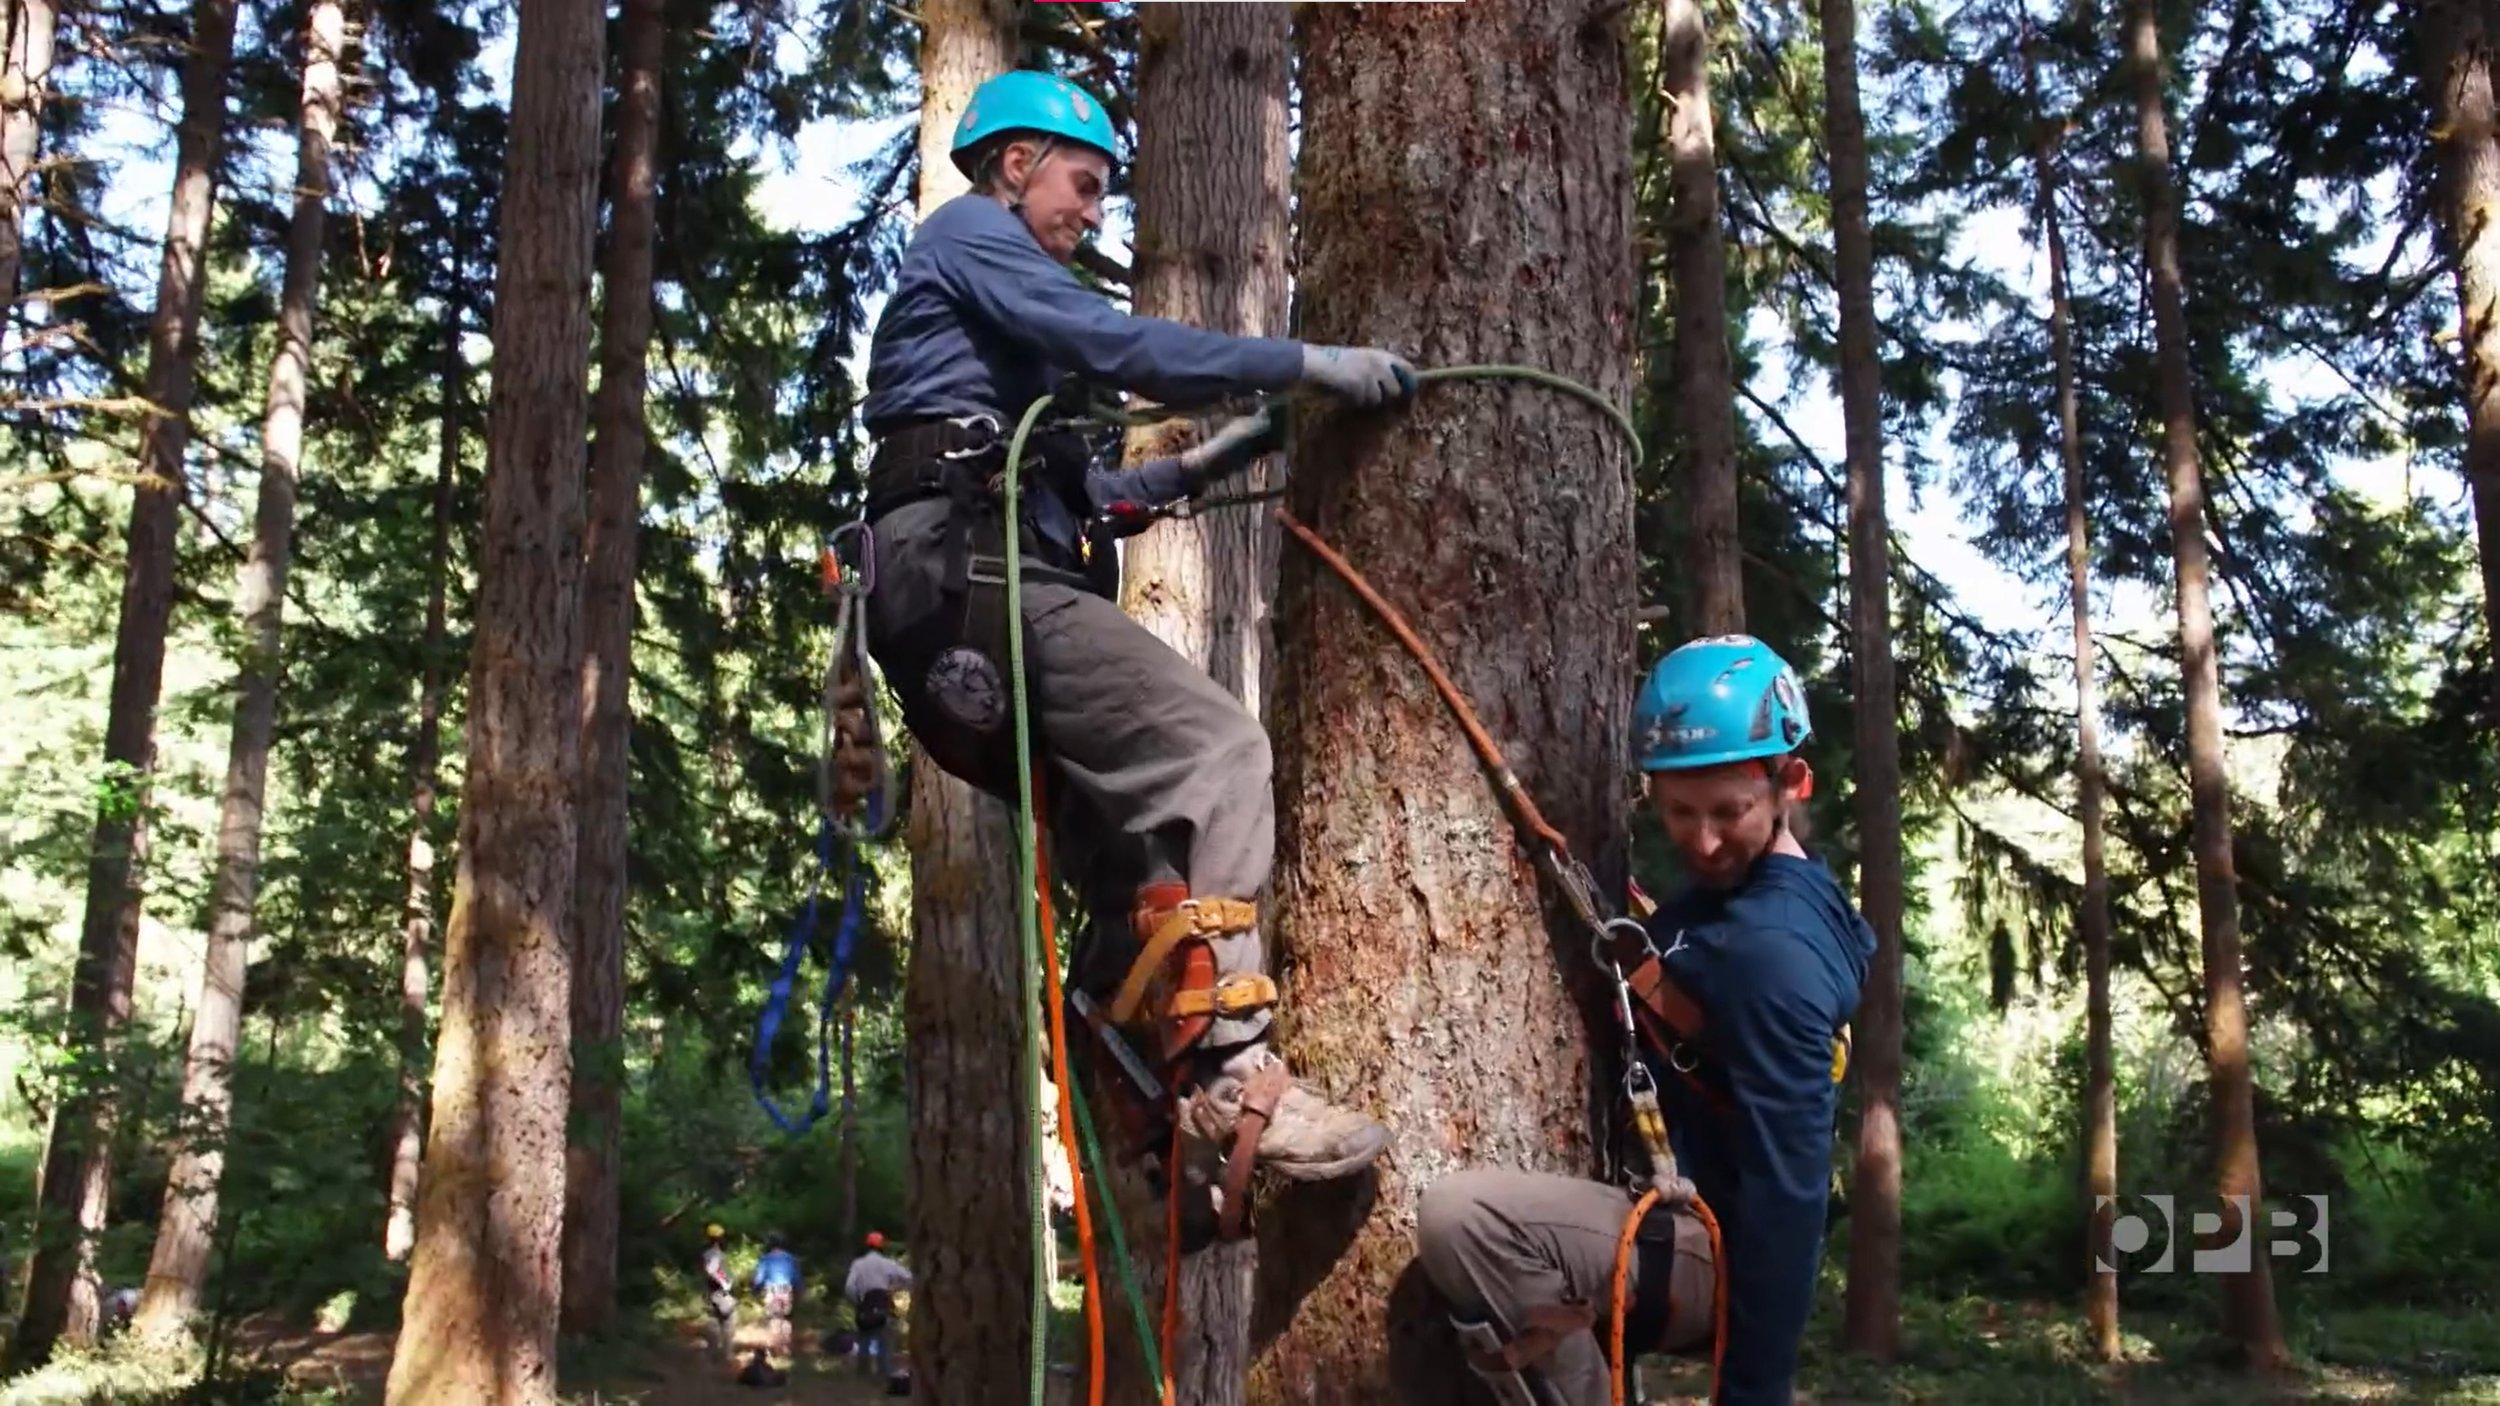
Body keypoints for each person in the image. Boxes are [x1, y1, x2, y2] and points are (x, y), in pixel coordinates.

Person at [857, 68, 1411, 1225]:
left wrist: (1197, 469)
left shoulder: (980, 326)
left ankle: (1146, 1138)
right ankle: (1230, 1072)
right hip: (974, 583)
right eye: (1082, 183)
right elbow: (1113, 344)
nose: (1092, 212)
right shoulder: (967, 231)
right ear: (1014, 166)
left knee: (1138, 855)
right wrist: (1302, 363)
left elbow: (1061, 485)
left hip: (958, 591)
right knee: (1215, 752)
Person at [1413, 635, 1874, 1406]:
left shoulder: (1774, 954)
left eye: (1730, 812)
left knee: (1468, 1220)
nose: (1702, 841)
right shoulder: (1750, 900)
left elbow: (1788, 1192)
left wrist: (1753, 1392)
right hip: (1692, 1217)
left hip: (1720, 1247)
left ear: (1791, 781)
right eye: (1678, 812)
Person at [843, 1231, 913, 1380]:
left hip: (864, 1306)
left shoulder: (858, 1264)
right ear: (882, 1247)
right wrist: (896, 1286)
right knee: (885, 1340)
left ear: (867, 1246)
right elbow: (909, 1277)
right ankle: (884, 1373)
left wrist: (858, 1301)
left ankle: (863, 1374)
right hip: (882, 1304)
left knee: (863, 1341)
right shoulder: (888, 1263)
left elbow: (849, 1287)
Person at [752, 1232, 801, 1357]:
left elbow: (759, 1278)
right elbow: (796, 1278)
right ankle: (785, 1348)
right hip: (786, 1290)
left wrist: (755, 1289)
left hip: (772, 1291)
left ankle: (775, 1349)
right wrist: (798, 1290)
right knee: (786, 1319)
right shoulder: (791, 1258)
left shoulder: (766, 1258)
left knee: (774, 1319)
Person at [700, 1223, 737, 1360]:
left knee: (713, 1323)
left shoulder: (706, 1253)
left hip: (710, 1292)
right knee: (728, 1323)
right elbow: (712, 1270)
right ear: (719, 1238)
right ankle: (727, 1355)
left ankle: (713, 1355)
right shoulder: (716, 1253)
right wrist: (725, 1283)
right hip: (720, 1293)